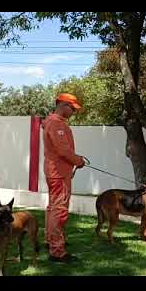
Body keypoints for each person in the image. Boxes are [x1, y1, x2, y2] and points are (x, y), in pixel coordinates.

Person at [43, 93, 85, 263]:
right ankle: (57, 251)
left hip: (56, 171)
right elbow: (63, 151)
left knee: (52, 208)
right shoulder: (56, 124)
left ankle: (50, 240)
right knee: (59, 211)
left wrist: (75, 160)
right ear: (63, 105)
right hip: (59, 173)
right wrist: (78, 161)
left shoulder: (54, 123)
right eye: (72, 108)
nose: (73, 112)